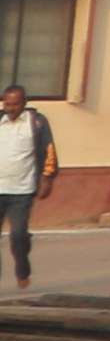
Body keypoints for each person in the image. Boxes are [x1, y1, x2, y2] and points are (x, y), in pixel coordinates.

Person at [0, 83, 51, 285]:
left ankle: (22, 269)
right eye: (7, 103)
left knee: (18, 235)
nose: (10, 108)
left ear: (24, 103)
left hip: (21, 191)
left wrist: (47, 178)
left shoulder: (36, 122)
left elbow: (49, 150)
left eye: (15, 104)